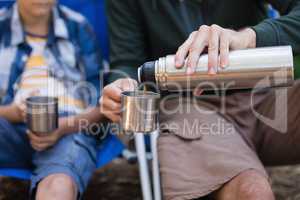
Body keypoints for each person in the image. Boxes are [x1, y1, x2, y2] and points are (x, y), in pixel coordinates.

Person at [100, 0, 300, 199]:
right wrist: (121, 84)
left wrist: (249, 37)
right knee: (251, 192)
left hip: (270, 98)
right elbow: (128, 61)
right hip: (192, 110)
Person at [0, 0, 105, 199]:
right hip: (8, 125)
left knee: (59, 184)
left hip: (69, 127)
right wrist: (10, 113)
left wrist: (63, 126)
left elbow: (102, 106)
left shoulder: (78, 27)